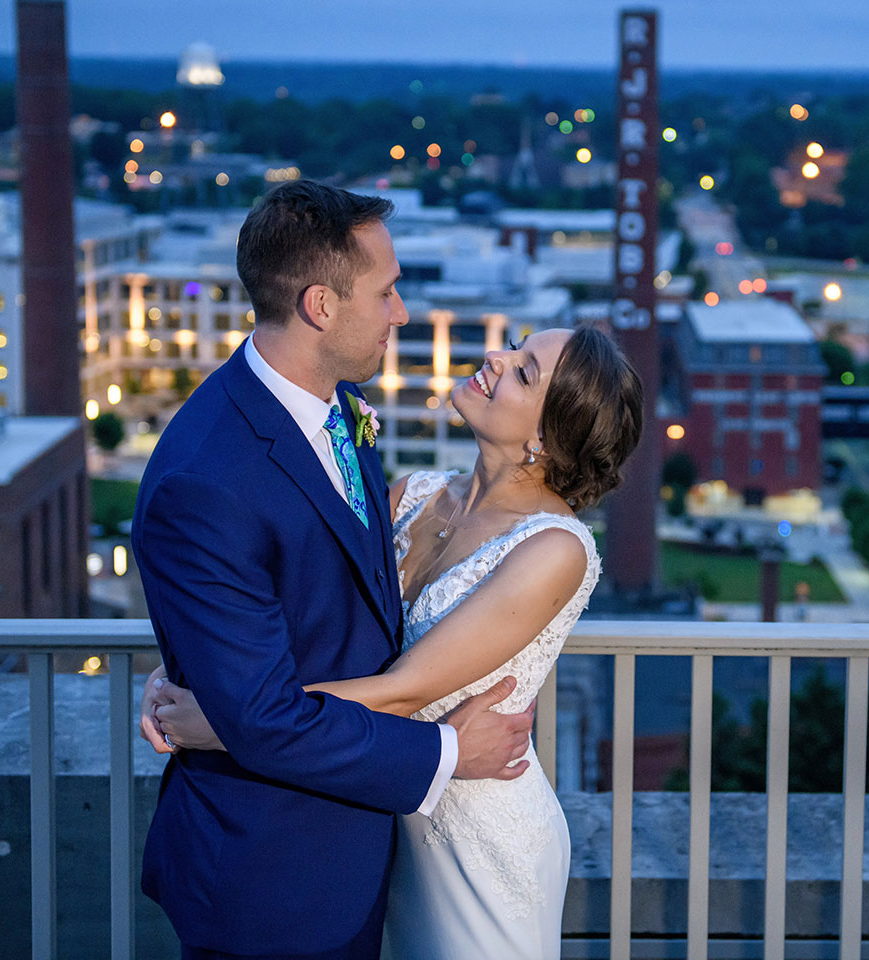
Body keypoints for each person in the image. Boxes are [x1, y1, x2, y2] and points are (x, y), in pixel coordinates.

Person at [130, 180, 538, 960]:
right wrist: (451, 753)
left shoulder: (332, 407)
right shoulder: (205, 479)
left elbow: (327, 607)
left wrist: (207, 668)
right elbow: (266, 721)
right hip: (271, 879)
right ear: (320, 305)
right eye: (385, 293)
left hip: (354, 853)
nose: (402, 313)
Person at [146, 321, 643, 959]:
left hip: (477, 829)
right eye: (514, 347)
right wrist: (190, 671)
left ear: (546, 438)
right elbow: (300, 601)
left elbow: (405, 690)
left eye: (522, 371)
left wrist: (221, 720)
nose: (495, 357)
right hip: (379, 803)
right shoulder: (414, 494)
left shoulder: (554, 549)